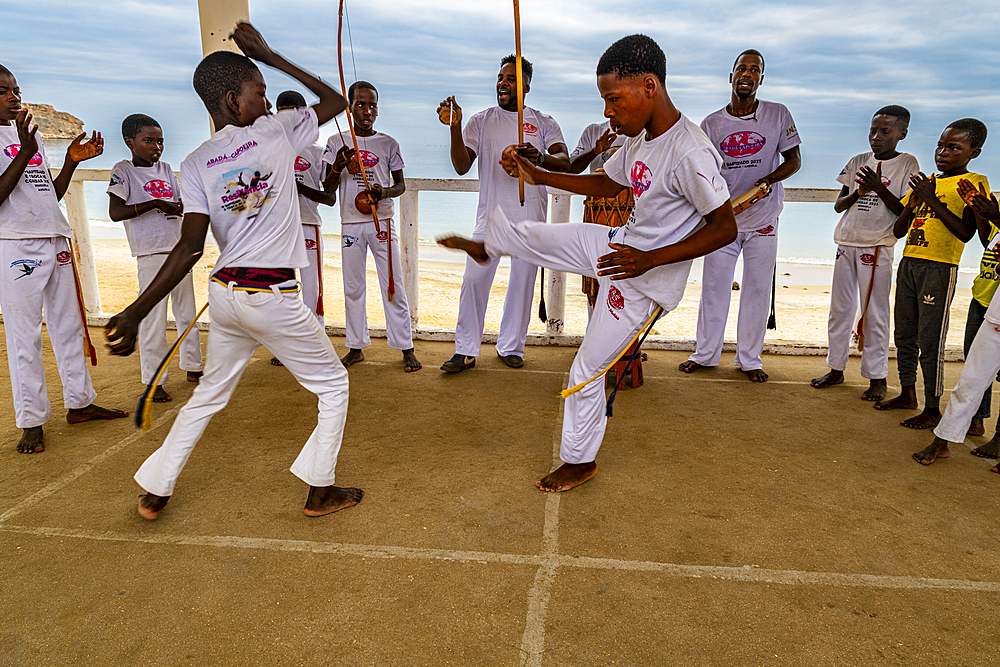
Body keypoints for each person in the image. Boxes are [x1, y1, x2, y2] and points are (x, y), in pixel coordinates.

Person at [439, 34, 737, 492]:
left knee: (586, 369)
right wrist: (539, 175)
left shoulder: (689, 150)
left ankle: (579, 461)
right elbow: (604, 185)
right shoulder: (642, 140)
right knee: (549, 236)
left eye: (613, 98)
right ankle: (491, 243)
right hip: (620, 246)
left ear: (649, 86)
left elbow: (724, 228)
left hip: (642, 278)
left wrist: (649, 259)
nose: (607, 111)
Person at [105, 23, 361, 520]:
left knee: (208, 395)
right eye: (259, 92)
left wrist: (136, 311)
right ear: (232, 99)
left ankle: (157, 489)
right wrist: (270, 54)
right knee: (333, 385)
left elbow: (188, 249)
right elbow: (336, 98)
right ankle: (320, 490)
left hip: (225, 295)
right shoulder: (276, 130)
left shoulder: (196, 162)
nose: (267, 102)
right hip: (272, 296)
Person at [0, 64, 127, 454]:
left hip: (54, 239)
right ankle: (32, 422)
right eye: (3, 90)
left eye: (16, 89)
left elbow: (45, 195)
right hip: (16, 245)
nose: (13, 96)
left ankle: (80, 403)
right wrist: (24, 151)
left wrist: (71, 161)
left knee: (70, 326)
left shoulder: (24, 134)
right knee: (25, 337)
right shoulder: (21, 140)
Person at [436, 55, 569, 373]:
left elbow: (564, 161)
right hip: (491, 219)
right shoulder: (480, 121)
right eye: (500, 77)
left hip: (531, 218)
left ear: (526, 85)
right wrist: (455, 128)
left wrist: (538, 158)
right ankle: (466, 350)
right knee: (474, 280)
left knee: (522, 285)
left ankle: (511, 346)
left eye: (510, 78)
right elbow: (461, 164)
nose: (503, 82)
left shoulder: (543, 122)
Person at [679, 49, 801, 383]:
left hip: (764, 218)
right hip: (724, 221)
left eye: (755, 70)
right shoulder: (712, 123)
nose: (747, 74)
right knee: (714, 289)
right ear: (731, 75)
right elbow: (702, 169)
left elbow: (794, 161)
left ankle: (749, 360)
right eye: (741, 69)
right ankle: (705, 355)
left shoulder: (778, 115)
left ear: (761, 78)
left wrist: (768, 181)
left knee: (757, 291)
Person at [875, 119, 989, 429]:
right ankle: (907, 393)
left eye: (954, 148)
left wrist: (929, 198)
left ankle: (932, 406)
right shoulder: (928, 182)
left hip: (939, 267)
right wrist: (915, 201)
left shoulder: (974, 182)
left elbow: (965, 233)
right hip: (910, 261)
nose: (943, 152)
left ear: (973, 152)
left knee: (931, 338)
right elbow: (899, 230)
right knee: (905, 334)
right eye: (941, 145)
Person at [810, 106, 918, 401]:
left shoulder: (907, 164)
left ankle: (877, 377)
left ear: (902, 134)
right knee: (840, 310)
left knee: (875, 313)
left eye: (885, 131)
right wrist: (859, 191)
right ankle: (836, 367)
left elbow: (902, 211)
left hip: (877, 244)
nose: (876, 137)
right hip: (847, 241)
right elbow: (839, 205)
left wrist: (877, 188)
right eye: (873, 130)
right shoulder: (858, 161)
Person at [323, 81, 420, 372]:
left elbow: (401, 185)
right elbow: (327, 189)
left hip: (382, 222)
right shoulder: (336, 141)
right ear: (350, 107)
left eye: (372, 105)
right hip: (351, 223)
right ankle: (355, 347)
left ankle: (406, 348)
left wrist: (384, 192)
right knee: (353, 287)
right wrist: (339, 165)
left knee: (393, 285)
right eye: (361, 104)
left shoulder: (388, 143)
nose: (367, 111)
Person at [108, 114, 203, 401]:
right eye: (148, 141)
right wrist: (154, 204)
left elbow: (178, 201)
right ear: (130, 142)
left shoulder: (166, 169)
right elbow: (115, 212)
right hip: (149, 253)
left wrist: (178, 206)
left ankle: (194, 367)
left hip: (177, 252)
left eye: (159, 141)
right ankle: (154, 380)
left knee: (187, 313)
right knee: (153, 318)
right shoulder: (123, 171)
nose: (156, 147)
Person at [912, 179, 1000, 464]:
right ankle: (943, 440)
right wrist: (987, 214)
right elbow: (990, 243)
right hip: (994, 309)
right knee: (971, 379)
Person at [268, 90, 336, 367]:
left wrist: (302, 188)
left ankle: (314, 345)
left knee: (312, 289)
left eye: (296, 110)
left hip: (308, 225)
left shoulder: (317, 152)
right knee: (282, 289)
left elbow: (329, 197)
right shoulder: (267, 148)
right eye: (284, 110)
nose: (290, 116)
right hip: (278, 228)